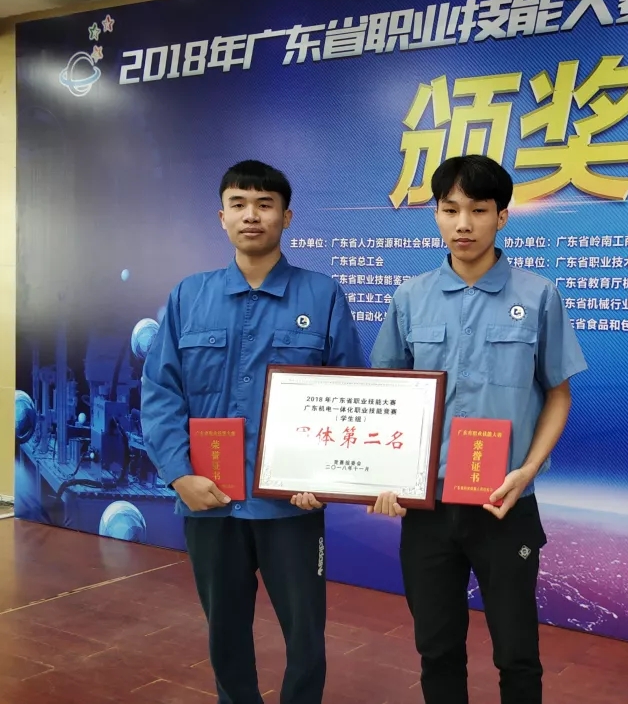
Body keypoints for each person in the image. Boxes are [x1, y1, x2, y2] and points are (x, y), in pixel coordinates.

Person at [140, 160, 368, 704]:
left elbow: (349, 398)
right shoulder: (188, 297)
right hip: (209, 498)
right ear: (221, 217)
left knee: (306, 635)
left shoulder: (322, 295)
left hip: (291, 503)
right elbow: (161, 392)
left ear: (286, 217)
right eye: (238, 204)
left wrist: (325, 479)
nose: (251, 215)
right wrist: (179, 475)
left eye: (265, 205)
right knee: (224, 631)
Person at [364, 154, 588, 704]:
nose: (463, 224)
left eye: (479, 210)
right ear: (436, 215)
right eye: (450, 209)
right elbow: (386, 396)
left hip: (504, 505)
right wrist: (383, 476)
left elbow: (558, 393)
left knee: (517, 654)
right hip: (427, 509)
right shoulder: (410, 297)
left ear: (502, 217)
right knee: (437, 649)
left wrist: (527, 470)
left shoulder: (538, 296)